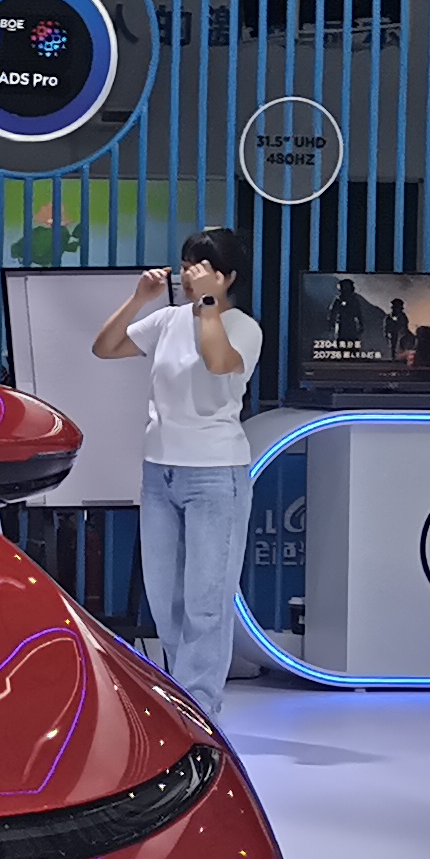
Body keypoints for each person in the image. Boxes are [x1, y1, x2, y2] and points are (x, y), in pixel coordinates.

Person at [95, 226, 261, 722]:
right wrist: (138, 298)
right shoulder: (167, 320)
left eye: (201, 268)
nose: (188, 276)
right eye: (187, 265)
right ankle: (182, 698)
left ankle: (199, 710)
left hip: (216, 474)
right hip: (160, 472)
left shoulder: (242, 326)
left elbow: (218, 363)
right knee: (166, 600)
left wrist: (209, 304)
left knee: (206, 602)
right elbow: (105, 347)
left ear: (227, 277)